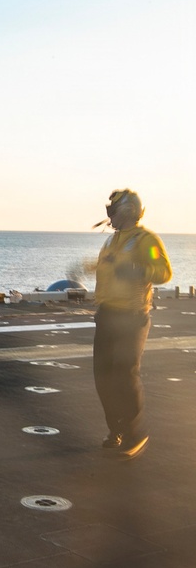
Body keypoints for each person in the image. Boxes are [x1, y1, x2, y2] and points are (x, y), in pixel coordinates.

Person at [91, 189, 171, 460]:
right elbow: (109, 270)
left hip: (132, 317)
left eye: (112, 209)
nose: (109, 215)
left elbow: (164, 272)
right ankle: (116, 430)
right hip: (107, 316)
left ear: (126, 211)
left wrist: (139, 271)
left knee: (125, 374)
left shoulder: (145, 240)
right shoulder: (112, 242)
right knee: (103, 376)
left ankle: (135, 433)